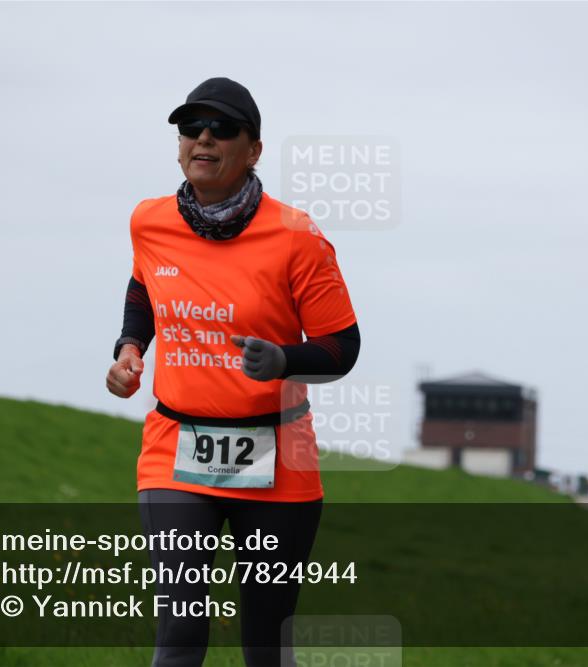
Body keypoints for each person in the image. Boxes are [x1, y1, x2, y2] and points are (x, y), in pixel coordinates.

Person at [106, 77, 360, 667]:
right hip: (177, 451)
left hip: (279, 459)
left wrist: (283, 359)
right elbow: (145, 284)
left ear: (254, 149)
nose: (204, 137)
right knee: (180, 636)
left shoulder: (297, 237)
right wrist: (128, 347)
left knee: (266, 647)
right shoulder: (148, 221)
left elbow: (342, 346)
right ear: (178, 144)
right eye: (192, 126)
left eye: (223, 128)